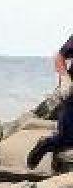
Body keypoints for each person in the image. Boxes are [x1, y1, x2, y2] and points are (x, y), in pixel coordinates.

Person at [25, 35, 73, 169]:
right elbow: (59, 57)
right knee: (66, 139)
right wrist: (64, 78)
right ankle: (44, 145)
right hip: (71, 94)